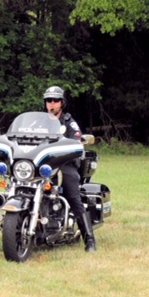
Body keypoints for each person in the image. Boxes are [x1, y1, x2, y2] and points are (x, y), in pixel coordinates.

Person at [43, 85, 96, 252]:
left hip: (64, 165)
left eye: (55, 100)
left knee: (73, 197)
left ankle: (89, 240)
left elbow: (78, 141)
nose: (52, 103)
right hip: (43, 166)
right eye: (48, 100)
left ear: (62, 103)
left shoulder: (69, 121)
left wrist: (75, 144)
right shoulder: (39, 122)